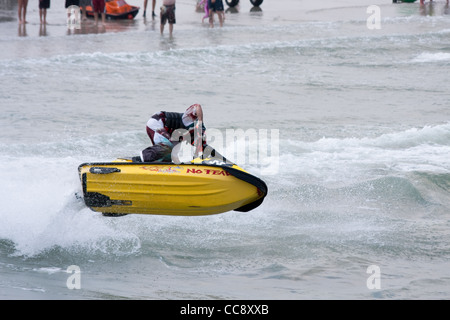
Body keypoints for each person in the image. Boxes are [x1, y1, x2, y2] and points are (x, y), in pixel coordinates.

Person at [136, 104, 207, 163]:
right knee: (168, 145)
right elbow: (197, 106)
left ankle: (152, 166)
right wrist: (200, 121)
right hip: (157, 122)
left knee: (168, 156)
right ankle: (141, 158)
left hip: (164, 131)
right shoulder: (190, 118)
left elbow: (206, 149)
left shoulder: (194, 136)